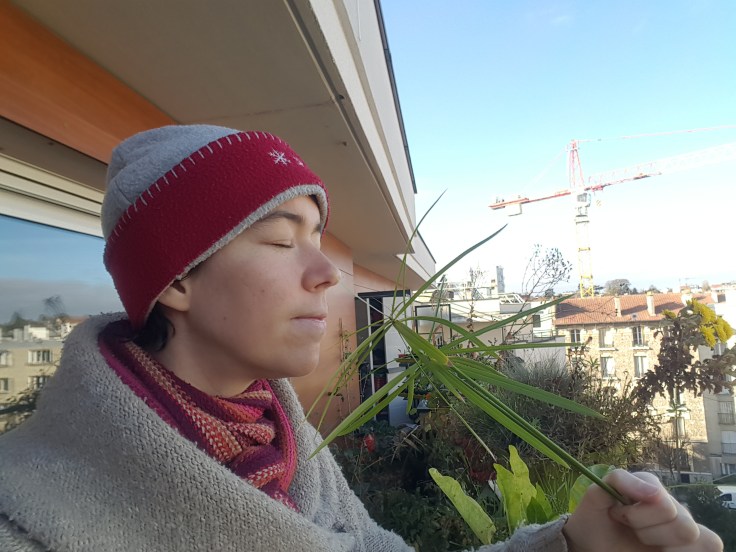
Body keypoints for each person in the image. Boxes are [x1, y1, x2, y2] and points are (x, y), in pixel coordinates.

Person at [0, 125, 722, 552]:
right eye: (280, 240)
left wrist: (570, 544)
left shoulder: (286, 446)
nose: (328, 275)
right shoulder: (27, 515)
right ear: (177, 279)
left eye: (319, 238)